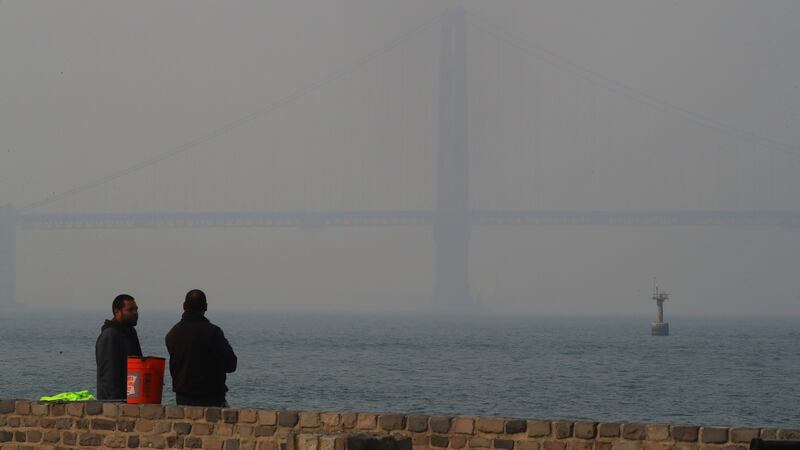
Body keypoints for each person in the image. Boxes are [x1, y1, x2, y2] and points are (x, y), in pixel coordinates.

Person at [165, 289, 237, 407]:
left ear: (184, 306)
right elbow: (231, 364)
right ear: (206, 307)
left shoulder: (172, 334)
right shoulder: (213, 332)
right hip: (211, 397)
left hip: (182, 398)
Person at [96, 294, 142, 401]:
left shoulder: (130, 332)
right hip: (116, 402)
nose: (135, 313)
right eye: (130, 310)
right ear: (117, 312)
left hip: (132, 398)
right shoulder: (110, 335)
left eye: (136, 309)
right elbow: (108, 375)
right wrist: (115, 403)